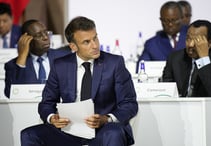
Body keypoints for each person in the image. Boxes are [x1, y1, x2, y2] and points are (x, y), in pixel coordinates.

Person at [20, 16, 138, 146]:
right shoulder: (60, 66)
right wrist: (52, 118)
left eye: (95, 38)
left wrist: (107, 119)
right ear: (73, 46)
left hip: (103, 130)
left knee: (114, 133)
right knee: (29, 135)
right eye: (86, 42)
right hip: (69, 130)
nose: (95, 45)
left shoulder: (114, 63)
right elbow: (46, 103)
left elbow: (130, 104)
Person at [4, 19, 70, 98]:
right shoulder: (13, 65)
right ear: (26, 40)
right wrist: (21, 58)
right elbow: (10, 94)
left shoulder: (64, 57)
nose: (45, 37)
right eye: (39, 35)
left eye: (46, 33)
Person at [162, 19, 211, 97]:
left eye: (197, 40)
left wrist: (203, 59)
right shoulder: (175, 58)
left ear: (209, 43)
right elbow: (165, 92)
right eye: (188, 39)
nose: (190, 45)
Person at [136, 1, 187, 72]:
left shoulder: (192, 38)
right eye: (166, 21)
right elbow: (141, 70)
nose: (170, 24)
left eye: (173, 20)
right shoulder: (152, 44)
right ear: (160, 20)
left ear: (181, 18)